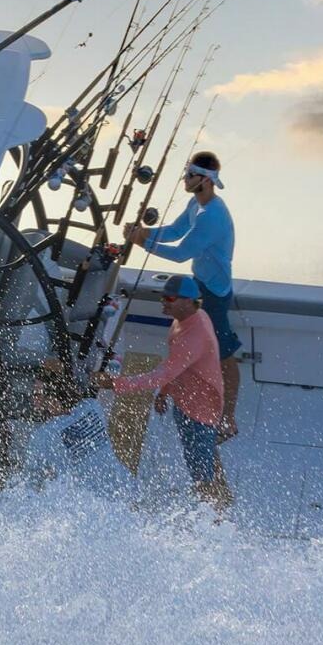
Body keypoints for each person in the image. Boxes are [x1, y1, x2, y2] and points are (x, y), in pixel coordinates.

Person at [123, 150, 244, 442]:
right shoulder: (195, 204)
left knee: (224, 356)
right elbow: (174, 231)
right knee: (198, 345)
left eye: (190, 175)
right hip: (200, 284)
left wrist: (142, 244)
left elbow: (179, 253)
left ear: (205, 180)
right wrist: (145, 233)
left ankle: (227, 420)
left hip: (214, 293)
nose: (185, 179)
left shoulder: (211, 216)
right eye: (185, 173)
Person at [93, 275, 224, 505]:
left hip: (200, 413)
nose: (163, 302)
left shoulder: (194, 335)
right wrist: (165, 392)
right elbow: (177, 367)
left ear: (189, 301)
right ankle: (213, 507)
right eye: (163, 297)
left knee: (202, 474)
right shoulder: (186, 318)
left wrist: (114, 383)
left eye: (170, 298)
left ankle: (214, 519)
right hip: (184, 400)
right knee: (200, 464)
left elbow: (160, 375)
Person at [22, 361, 133, 500]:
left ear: (53, 400)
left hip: (89, 505)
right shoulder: (93, 407)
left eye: (37, 394)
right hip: (126, 489)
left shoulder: (42, 436)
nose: (33, 398)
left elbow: (30, 486)